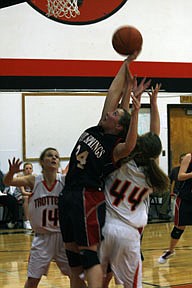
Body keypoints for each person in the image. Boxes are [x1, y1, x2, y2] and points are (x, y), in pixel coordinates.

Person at [58, 52, 151, 288]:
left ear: (118, 125)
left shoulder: (116, 148)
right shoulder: (100, 128)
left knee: (88, 255)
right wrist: (126, 63)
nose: (109, 112)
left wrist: (136, 109)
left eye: (115, 114)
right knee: (74, 263)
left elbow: (130, 143)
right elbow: (113, 93)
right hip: (68, 193)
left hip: (87, 195)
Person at [99, 84, 170, 287]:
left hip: (106, 228)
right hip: (129, 234)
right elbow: (155, 135)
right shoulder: (152, 176)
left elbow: (140, 135)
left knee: (102, 279)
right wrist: (155, 103)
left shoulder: (121, 162)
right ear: (155, 155)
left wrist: (138, 107)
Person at [3, 148, 84, 288]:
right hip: (42, 237)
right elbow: (8, 182)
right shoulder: (34, 180)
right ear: (42, 161)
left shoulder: (65, 181)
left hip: (63, 238)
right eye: (49, 155)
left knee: (76, 276)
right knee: (33, 280)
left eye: (56, 157)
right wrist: (11, 172)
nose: (54, 158)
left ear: (59, 163)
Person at [158, 152, 192, 264]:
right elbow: (180, 176)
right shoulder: (189, 157)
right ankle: (170, 250)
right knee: (179, 227)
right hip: (185, 198)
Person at [16, 162, 34, 230]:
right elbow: (23, 192)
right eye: (26, 168)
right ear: (23, 170)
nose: (28, 170)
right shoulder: (20, 177)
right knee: (26, 198)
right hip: (20, 194)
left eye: (30, 168)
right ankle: (27, 221)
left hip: (29, 194)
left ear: (32, 170)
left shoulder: (34, 177)